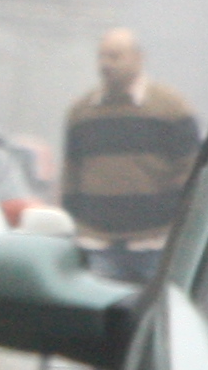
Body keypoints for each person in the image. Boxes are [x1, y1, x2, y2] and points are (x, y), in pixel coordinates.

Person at [64, 26, 199, 285]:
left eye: (115, 57)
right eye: (102, 57)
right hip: (97, 245)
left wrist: (165, 214)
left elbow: (190, 172)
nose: (106, 64)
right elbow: (71, 174)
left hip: (153, 246)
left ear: (138, 58)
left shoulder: (171, 109)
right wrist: (82, 218)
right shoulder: (81, 113)